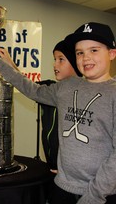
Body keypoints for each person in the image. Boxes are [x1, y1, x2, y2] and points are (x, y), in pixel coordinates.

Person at [0, 22, 116, 204]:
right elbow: (33, 90)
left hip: (100, 196)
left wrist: (93, 196)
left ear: (112, 53)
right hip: (62, 189)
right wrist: (0, 65)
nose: (86, 58)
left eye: (94, 50)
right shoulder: (66, 86)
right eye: (80, 52)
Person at [37, 40, 83, 203]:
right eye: (54, 59)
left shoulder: (82, 95)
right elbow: (28, 87)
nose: (55, 64)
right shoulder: (53, 90)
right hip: (54, 172)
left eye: (61, 59)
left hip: (73, 178)